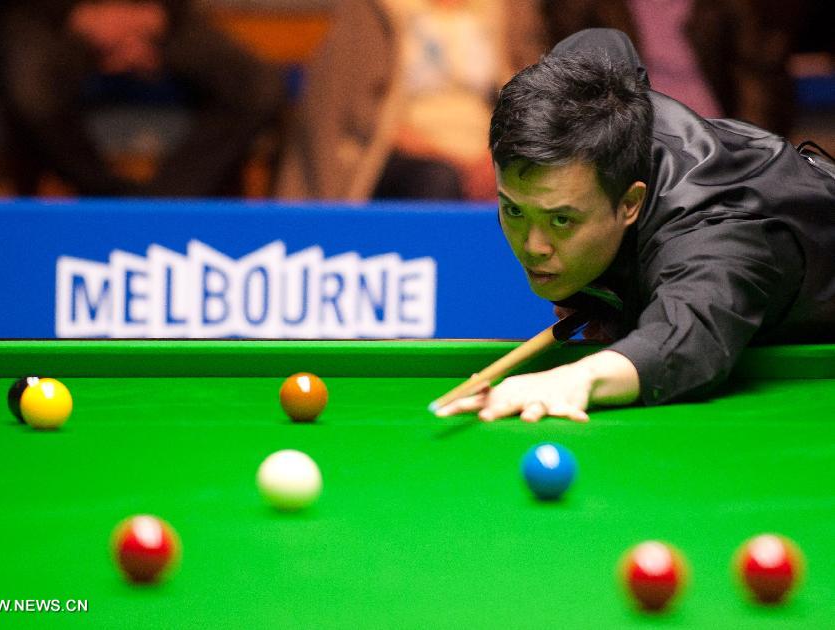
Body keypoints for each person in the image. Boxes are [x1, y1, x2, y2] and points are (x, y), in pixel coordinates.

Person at [437, 28, 835, 423]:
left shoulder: (715, 229)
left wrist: (578, 379)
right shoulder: (593, 89)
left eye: (562, 219)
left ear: (630, 204)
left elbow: (687, 337)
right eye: (515, 211)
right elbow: (602, 40)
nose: (535, 246)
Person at [0, 0, 283, 197]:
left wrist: (151, 16)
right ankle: (107, 199)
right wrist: (81, 15)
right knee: (32, 90)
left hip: (156, 14)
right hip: (49, 17)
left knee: (260, 87)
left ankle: (161, 204)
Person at [275, 0, 546, 201]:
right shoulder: (376, 9)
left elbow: (535, 90)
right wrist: (443, 155)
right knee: (438, 178)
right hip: (396, 148)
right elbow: (346, 104)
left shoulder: (508, 8)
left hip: (490, 151)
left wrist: (502, 154)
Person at [540, 0, 802, 137]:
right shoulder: (582, 6)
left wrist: (748, 152)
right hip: (632, 146)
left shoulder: (730, 5)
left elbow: (761, 80)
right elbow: (577, 88)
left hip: (719, 140)